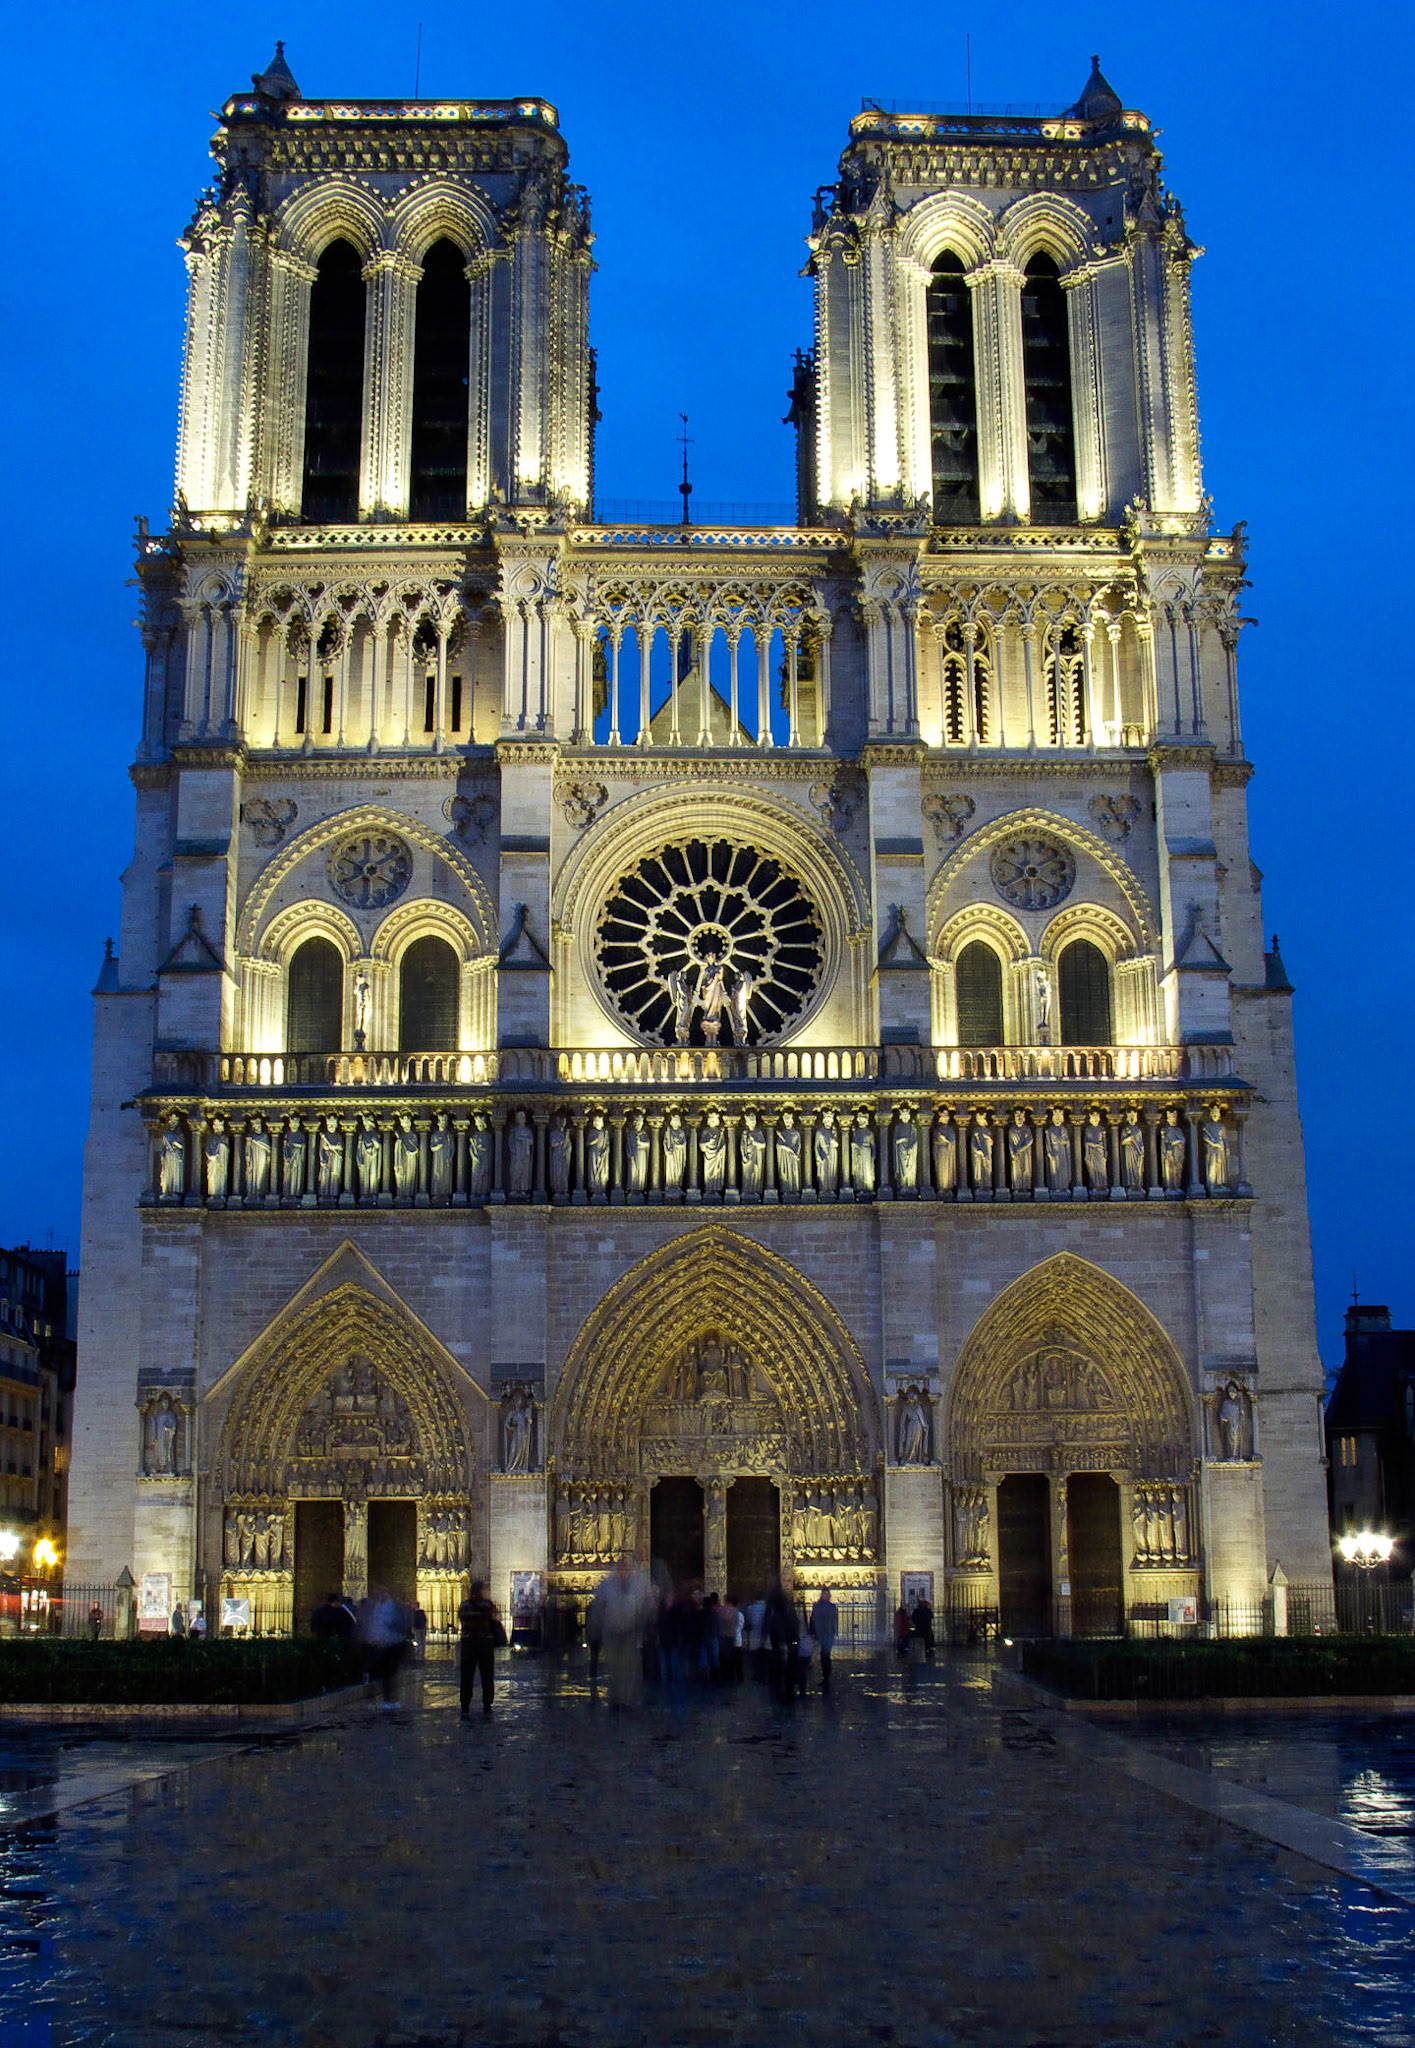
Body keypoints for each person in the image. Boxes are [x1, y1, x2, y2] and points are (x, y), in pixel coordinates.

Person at [594, 1554, 654, 1710]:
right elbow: (598, 1609)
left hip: (630, 1633)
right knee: (614, 1668)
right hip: (612, 1633)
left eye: (628, 1567)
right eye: (622, 1567)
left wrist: (645, 1627)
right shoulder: (607, 1586)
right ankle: (615, 1697)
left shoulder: (639, 1586)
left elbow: (646, 1607)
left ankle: (626, 1699)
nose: (625, 1570)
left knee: (629, 1668)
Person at [362, 1587, 413, 1710]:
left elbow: (400, 1625)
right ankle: (381, 1698)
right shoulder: (376, 1608)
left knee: (389, 1673)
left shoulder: (391, 1608)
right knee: (382, 1673)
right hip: (379, 1644)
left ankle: (387, 1699)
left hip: (390, 1644)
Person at [457, 1579, 502, 1717]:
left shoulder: (464, 1605)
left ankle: (465, 1704)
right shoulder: (487, 1605)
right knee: (487, 1674)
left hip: (469, 1641)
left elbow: (461, 1620)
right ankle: (487, 1703)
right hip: (485, 1642)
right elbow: (495, 1617)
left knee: (467, 1674)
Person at [809, 1587, 839, 1693]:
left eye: (827, 1594)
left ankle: (827, 1677)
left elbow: (835, 1620)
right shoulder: (817, 1606)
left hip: (828, 1634)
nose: (825, 1596)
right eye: (824, 1594)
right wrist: (812, 1632)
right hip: (820, 1633)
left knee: (826, 1654)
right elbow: (812, 1619)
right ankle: (825, 1676)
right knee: (823, 1655)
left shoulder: (832, 1607)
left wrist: (835, 1632)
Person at [912, 1592, 935, 1659]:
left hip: (919, 1627)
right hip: (926, 1627)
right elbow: (931, 1616)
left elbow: (913, 1618)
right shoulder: (927, 1610)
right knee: (926, 1639)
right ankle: (927, 1650)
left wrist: (917, 1623)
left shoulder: (917, 1610)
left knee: (920, 1639)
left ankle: (921, 1650)